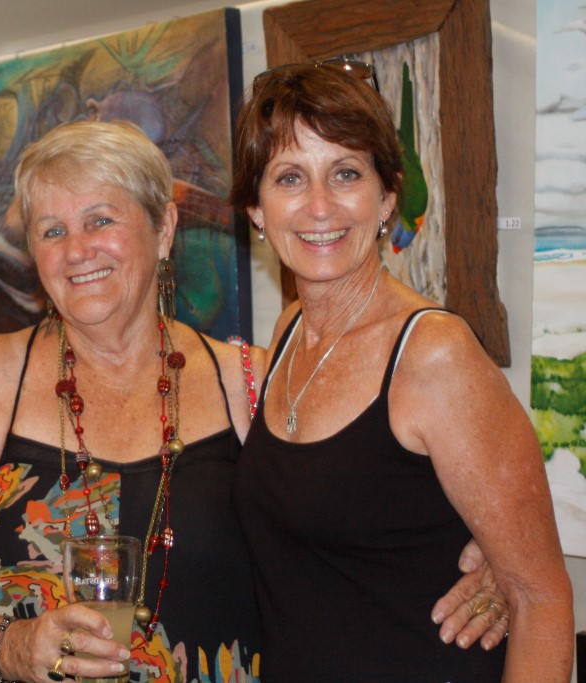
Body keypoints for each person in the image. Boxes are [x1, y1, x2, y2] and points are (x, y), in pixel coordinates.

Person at [0, 120, 502, 683]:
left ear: (163, 231)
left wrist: (491, 558)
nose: (77, 249)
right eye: (52, 230)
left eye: (101, 220)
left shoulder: (251, 380)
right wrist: (15, 646)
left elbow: (371, 510)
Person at [229, 62, 573, 682]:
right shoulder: (285, 336)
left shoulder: (434, 355)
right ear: (256, 209)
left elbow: (541, 599)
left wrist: (504, 565)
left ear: (387, 194)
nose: (319, 206)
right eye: (288, 178)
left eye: (345, 173)